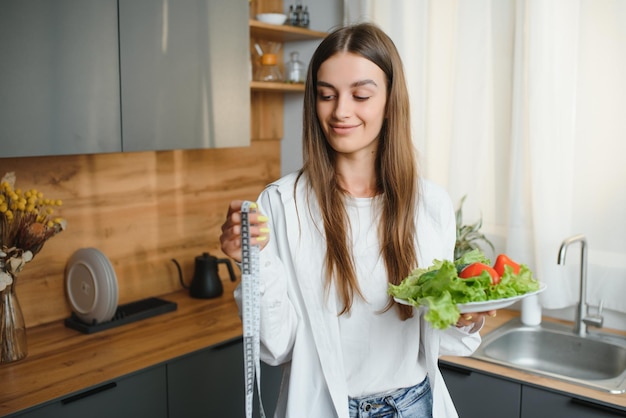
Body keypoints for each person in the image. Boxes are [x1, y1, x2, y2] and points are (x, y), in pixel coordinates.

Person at [220, 22, 494, 418]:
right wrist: (252, 259)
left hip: (413, 406)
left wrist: (466, 318)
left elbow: (439, 339)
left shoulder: (429, 205)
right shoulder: (281, 204)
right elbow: (275, 347)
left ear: (390, 100)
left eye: (360, 95)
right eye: (326, 95)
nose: (340, 111)